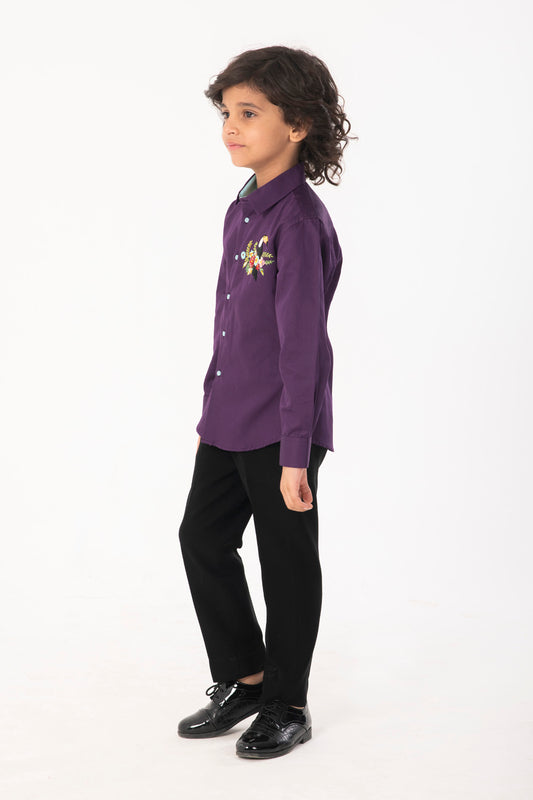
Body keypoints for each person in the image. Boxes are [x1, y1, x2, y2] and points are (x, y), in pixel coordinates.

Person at [177, 44, 354, 760]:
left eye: (250, 113)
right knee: (201, 537)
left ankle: (287, 702)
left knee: (285, 562)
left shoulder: (298, 223)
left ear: (298, 124)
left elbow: (301, 345)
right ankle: (245, 677)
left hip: (284, 428)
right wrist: (208, 412)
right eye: (227, 112)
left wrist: (295, 454)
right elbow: (229, 321)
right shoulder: (243, 208)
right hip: (229, 417)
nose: (231, 126)